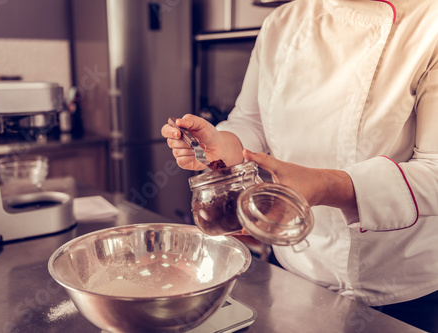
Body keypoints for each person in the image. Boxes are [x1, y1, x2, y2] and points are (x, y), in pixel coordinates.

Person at [162, 0, 438, 331]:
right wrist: (224, 145)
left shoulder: (429, 24)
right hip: (295, 268)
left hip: (399, 287)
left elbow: (434, 170)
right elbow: (251, 121)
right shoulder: (282, 22)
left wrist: (324, 186)